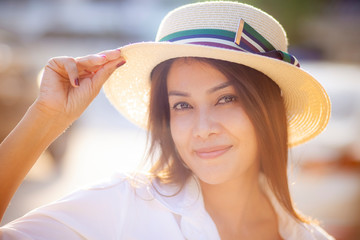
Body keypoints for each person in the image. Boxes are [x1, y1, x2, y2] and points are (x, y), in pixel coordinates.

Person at [0, 1, 334, 239]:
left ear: (269, 109)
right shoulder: (122, 207)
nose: (203, 129)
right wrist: (45, 118)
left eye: (226, 98)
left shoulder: (309, 237)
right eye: (182, 106)